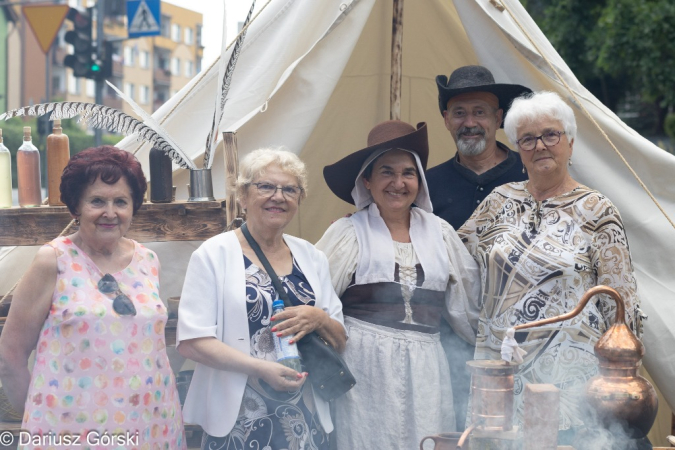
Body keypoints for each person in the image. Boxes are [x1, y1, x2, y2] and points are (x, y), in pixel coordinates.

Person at [457, 91, 643, 444]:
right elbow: (447, 253)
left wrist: (620, 386)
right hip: (500, 376)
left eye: (550, 134)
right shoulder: (499, 201)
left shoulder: (597, 211)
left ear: (570, 144)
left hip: (572, 385)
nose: (540, 145)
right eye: (527, 138)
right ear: (517, 148)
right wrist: (390, 224)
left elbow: (622, 308)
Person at [0, 146, 186, 448]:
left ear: (133, 206)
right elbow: (10, 357)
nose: (110, 212)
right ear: (76, 206)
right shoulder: (53, 260)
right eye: (97, 201)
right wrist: (42, 422)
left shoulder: (148, 260)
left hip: (152, 426)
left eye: (121, 202)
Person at [316, 120, 480, 450]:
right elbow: (316, 303)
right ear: (367, 181)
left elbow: (468, 310)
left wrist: (496, 350)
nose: (398, 182)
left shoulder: (441, 233)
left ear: (419, 181)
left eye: (408, 173)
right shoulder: (348, 233)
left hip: (427, 368)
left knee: (427, 438)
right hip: (365, 367)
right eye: (386, 172)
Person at [177, 148, 347, 450]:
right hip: (240, 415)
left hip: (306, 414)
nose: (278, 197)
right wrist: (259, 368)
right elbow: (192, 341)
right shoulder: (213, 255)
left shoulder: (312, 256)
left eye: (289, 189)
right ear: (243, 195)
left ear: (299, 200)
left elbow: (340, 338)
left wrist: (319, 318)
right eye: (266, 186)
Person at [426, 65, 532, 430]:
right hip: (448, 343)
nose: (469, 122)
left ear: (499, 118)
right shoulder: (423, 187)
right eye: (459, 112)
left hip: (522, 342)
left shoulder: (531, 175)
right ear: (445, 120)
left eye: (480, 112)